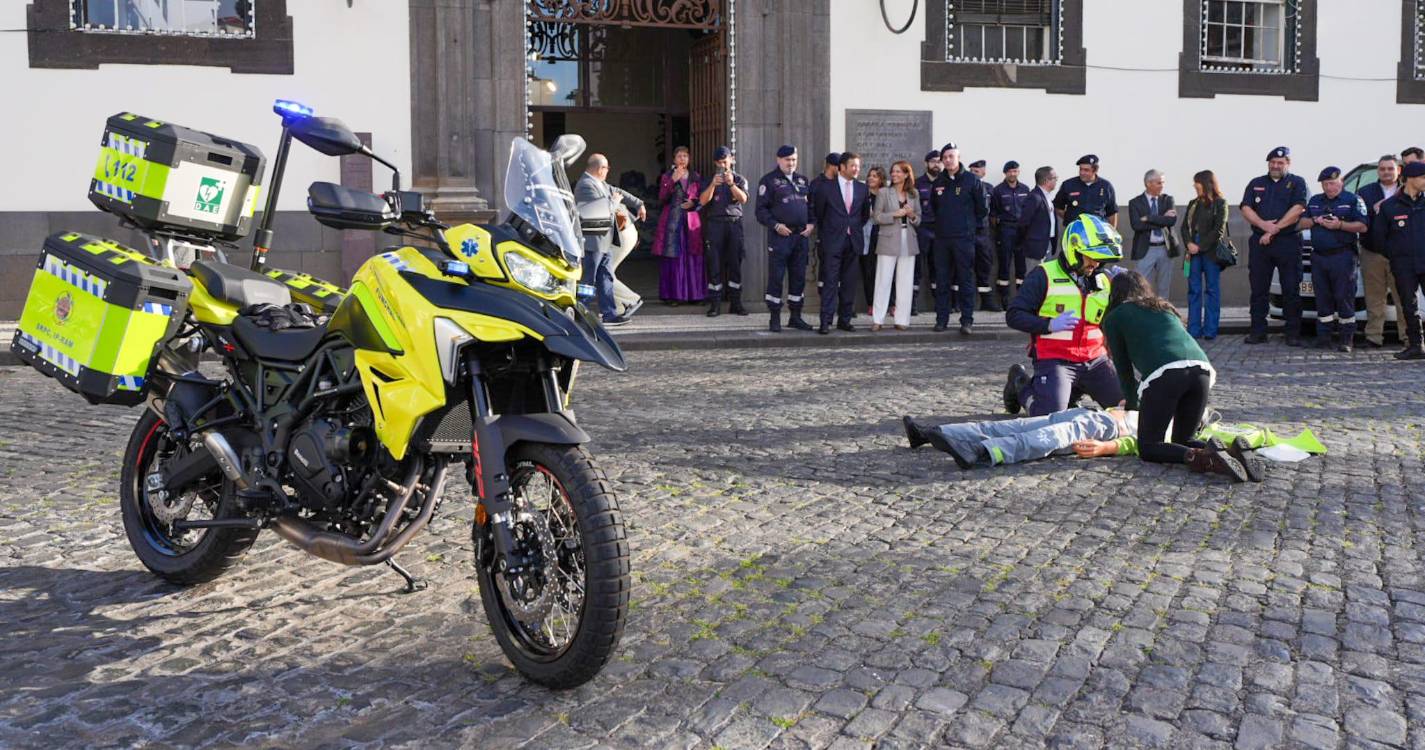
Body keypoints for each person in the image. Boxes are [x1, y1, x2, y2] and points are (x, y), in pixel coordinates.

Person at [1098, 270, 1256, 482]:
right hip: (1202, 370)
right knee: (1184, 439)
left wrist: (1132, 405)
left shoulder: (1115, 317)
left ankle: (1200, 458)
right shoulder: (1163, 308)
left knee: (1148, 447)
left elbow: (1124, 369)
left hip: (1165, 374)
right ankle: (1230, 451)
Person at [901, 407, 1257, 482]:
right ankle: (935, 433)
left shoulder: (1174, 431)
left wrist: (1107, 449)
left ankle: (984, 454)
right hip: (1092, 413)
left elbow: (1138, 444)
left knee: (1042, 439)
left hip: (1103, 429)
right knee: (1013, 424)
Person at [1004, 214, 1125, 417]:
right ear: (1074, 251)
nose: (1096, 264)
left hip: (1096, 360)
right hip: (1056, 359)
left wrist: (1128, 284)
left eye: (1100, 259)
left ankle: (1071, 392)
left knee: (1127, 408)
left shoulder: (1105, 279)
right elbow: (1014, 315)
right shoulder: (1043, 275)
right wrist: (1048, 325)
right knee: (1048, 417)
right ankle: (1021, 385)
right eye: (1091, 257)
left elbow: (1112, 320)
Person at [1240, 146, 1310, 346]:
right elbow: (1246, 208)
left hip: (1287, 241)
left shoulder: (1297, 182)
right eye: (1272, 162)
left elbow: (1298, 208)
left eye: (1280, 163)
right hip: (1260, 243)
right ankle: (1258, 331)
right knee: (1259, 289)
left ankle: (1292, 333)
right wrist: (1263, 226)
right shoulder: (1256, 183)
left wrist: (1274, 229)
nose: (1276, 166)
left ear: (1288, 163)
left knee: (1291, 288)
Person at [1300, 166, 1368, 352]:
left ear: (1341, 182)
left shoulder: (1353, 200)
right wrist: (1315, 220)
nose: (1329, 187)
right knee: (1322, 298)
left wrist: (1340, 225)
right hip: (1319, 257)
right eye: (1325, 184)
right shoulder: (1314, 201)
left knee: (1344, 297)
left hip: (1343, 256)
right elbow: (1300, 223)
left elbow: (1362, 226)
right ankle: (1324, 337)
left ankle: (1346, 339)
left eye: (1332, 183)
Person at [575, 153, 646, 326]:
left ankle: (609, 314)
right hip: (593, 241)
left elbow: (618, 192)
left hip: (604, 240)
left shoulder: (600, 183)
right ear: (600, 169)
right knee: (588, 280)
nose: (608, 171)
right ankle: (580, 313)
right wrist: (613, 202)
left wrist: (639, 203)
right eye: (606, 168)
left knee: (605, 277)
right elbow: (600, 210)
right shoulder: (585, 185)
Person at [929, 142, 989, 334]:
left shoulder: (972, 180)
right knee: (942, 280)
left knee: (965, 280)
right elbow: (934, 207)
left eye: (951, 157)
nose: (947, 160)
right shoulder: (938, 182)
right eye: (944, 158)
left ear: (958, 158)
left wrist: (968, 227)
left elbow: (982, 209)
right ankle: (941, 320)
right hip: (942, 239)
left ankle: (967, 321)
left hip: (964, 239)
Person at [755, 145, 816, 333]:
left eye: (794, 160)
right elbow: (760, 211)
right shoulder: (769, 181)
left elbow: (811, 207)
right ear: (778, 160)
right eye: (788, 160)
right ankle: (774, 318)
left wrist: (812, 224)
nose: (791, 163)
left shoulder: (803, 180)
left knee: (798, 278)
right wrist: (776, 225)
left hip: (800, 237)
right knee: (776, 278)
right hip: (780, 237)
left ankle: (795, 317)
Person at [811, 151, 870, 334]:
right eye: (853, 166)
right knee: (829, 282)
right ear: (841, 167)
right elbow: (819, 213)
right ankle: (826, 321)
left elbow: (864, 215)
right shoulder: (825, 188)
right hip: (832, 242)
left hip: (853, 241)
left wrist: (852, 228)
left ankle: (844, 320)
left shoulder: (862, 188)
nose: (856, 169)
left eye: (858, 166)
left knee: (849, 283)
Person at [1372, 160, 1425, 360]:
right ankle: (1416, 345)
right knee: (1408, 306)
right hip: (1404, 265)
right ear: (1410, 179)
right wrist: (1396, 255)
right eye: (1423, 177)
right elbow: (1379, 238)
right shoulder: (1390, 207)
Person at [699, 145, 750, 317]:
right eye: (720, 162)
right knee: (714, 264)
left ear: (732, 160)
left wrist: (731, 183)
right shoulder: (709, 180)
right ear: (715, 163)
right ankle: (715, 305)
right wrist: (713, 184)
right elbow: (703, 201)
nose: (723, 165)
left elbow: (743, 199)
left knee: (735, 264)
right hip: (715, 225)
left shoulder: (739, 179)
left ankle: (736, 303)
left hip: (734, 224)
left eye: (726, 161)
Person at [871, 159, 921, 331]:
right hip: (888, 239)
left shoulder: (914, 194)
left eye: (898, 171)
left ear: (907, 174)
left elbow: (919, 219)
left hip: (909, 238)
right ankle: (878, 319)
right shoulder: (884, 192)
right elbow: (877, 217)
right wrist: (895, 214)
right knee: (883, 281)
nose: (894, 174)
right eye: (893, 171)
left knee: (905, 281)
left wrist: (911, 214)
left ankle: (902, 320)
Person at [651, 146, 704, 307]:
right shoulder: (667, 176)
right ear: (674, 159)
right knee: (673, 258)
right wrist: (672, 180)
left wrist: (694, 203)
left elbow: (702, 199)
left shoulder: (695, 176)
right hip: (672, 222)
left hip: (691, 221)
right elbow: (662, 197)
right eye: (679, 156)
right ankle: (673, 295)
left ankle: (695, 295)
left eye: (685, 156)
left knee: (693, 257)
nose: (682, 159)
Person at [1181, 170, 1230, 340]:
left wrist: (1199, 247)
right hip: (1192, 250)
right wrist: (1189, 243)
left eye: (1197, 182)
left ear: (1206, 183)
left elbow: (1218, 230)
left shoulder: (1220, 203)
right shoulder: (1193, 203)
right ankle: (1193, 330)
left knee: (1212, 290)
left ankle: (1210, 330)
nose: (1194, 185)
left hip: (1210, 252)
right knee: (1194, 290)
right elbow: (1184, 227)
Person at [1358, 155, 1401, 348]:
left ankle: (1408, 338)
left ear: (1398, 171)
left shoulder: (1407, 191)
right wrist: (1372, 210)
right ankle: (1374, 337)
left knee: (1404, 298)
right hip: (1372, 252)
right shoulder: (1366, 192)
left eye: (1390, 169)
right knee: (1374, 298)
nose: (1386, 172)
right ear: (1378, 171)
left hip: (1400, 254)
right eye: (1382, 169)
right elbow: (1359, 219)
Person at [1128, 169, 1181, 298]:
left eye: (1162, 183)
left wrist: (1149, 217)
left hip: (1165, 248)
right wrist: (1161, 219)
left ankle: (1163, 315)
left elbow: (1171, 220)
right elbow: (1137, 225)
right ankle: (1143, 314)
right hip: (1146, 249)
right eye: (1159, 183)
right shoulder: (1135, 203)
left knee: (1164, 287)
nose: (1162, 186)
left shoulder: (1168, 200)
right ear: (1148, 183)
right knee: (1141, 286)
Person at [990, 160, 1032, 308]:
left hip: (1021, 230)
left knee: (1021, 265)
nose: (1013, 174)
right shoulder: (998, 190)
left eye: (1015, 171)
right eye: (1010, 171)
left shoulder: (1026, 189)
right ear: (1005, 173)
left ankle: (1021, 297)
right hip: (1005, 230)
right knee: (1004, 264)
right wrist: (1000, 230)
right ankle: (1005, 298)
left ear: (1018, 172)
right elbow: (993, 214)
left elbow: (1029, 210)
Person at [967, 159, 1002, 312]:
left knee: (985, 266)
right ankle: (958, 302)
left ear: (983, 172)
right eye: (972, 171)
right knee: (964, 266)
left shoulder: (989, 188)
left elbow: (994, 211)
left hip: (984, 233)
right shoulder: (965, 187)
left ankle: (986, 301)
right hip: (967, 232)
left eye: (978, 171)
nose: (975, 174)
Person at [1054, 154, 1118, 229]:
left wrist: (1112, 232)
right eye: (1080, 169)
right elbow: (1058, 207)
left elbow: (1112, 212)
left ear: (1096, 170)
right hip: (1075, 231)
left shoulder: (1106, 186)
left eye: (1086, 170)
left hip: (1098, 231)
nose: (1082, 172)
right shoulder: (1068, 185)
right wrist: (1070, 219)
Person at [914, 151, 942, 315]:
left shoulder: (945, 183)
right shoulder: (917, 184)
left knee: (938, 268)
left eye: (939, 161)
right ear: (926, 164)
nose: (936, 164)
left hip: (940, 231)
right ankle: (912, 303)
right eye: (933, 161)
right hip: (921, 229)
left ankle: (939, 303)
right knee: (917, 267)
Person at [809, 153, 841, 294]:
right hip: (823, 233)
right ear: (831, 166)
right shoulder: (816, 184)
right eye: (839, 166)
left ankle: (838, 301)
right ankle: (824, 299)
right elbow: (812, 207)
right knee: (825, 267)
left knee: (839, 268)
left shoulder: (840, 183)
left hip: (840, 233)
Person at [859, 166, 887, 315]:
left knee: (885, 270)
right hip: (866, 235)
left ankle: (889, 304)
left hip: (883, 235)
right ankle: (871, 303)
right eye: (870, 175)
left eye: (875, 176)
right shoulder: (862, 194)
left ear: (881, 179)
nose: (871, 178)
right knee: (868, 270)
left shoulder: (887, 194)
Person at [1017, 166, 1058, 267]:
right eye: (1055, 178)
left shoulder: (1047, 196)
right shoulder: (1034, 197)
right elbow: (1023, 223)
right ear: (1046, 180)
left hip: (1047, 243)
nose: (1056, 181)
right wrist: (1030, 241)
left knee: (1045, 278)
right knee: (1034, 277)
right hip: (1036, 247)